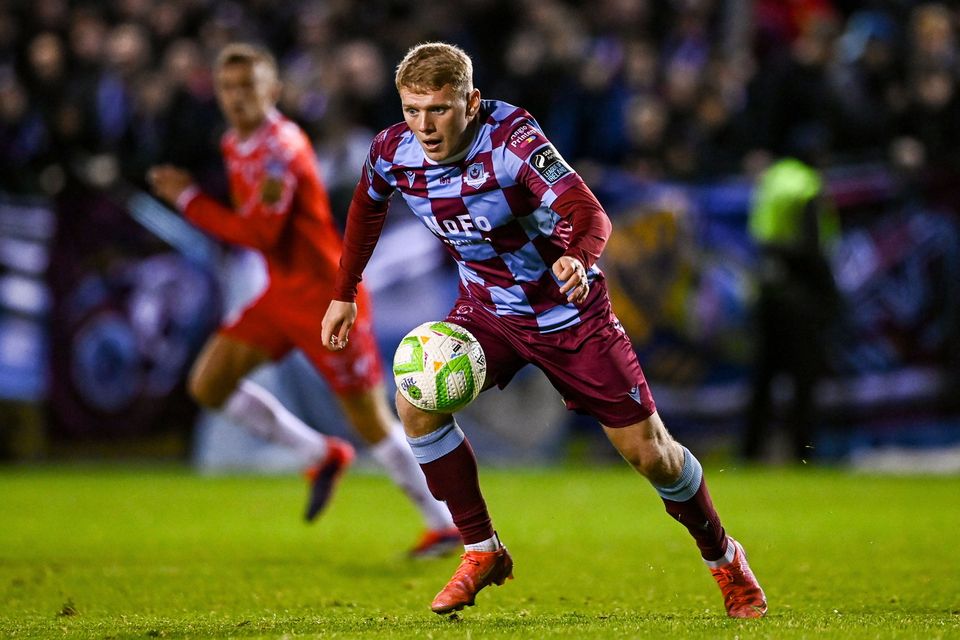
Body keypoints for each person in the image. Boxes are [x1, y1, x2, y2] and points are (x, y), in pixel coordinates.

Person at [321, 42, 767, 617]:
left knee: (651, 454)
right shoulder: (392, 151)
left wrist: (578, 257)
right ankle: (481, 549)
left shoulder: (513, 141)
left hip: (569, 315)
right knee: (417, 402)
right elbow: (366, 206)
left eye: (439, 109)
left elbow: (590, 213)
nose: (424, 126)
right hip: (489, 313)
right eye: (412, 109)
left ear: (471, 102)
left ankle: (725, 558)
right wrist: (343, 292)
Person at [147, 42, 459, 558]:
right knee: (209, 384)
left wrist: (189, 201)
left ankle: (442, 522)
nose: (238, 97)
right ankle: (320, 454)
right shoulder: (234, 143)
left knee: (373, 421)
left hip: (328, 299)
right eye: (228, 88)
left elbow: (263, 234)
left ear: (273, 90)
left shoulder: (282, 148)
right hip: (280, 295)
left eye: (249, 86)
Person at [743, 155, 841, 462]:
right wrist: (831, 296)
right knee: (803, 380)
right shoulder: (807, 185)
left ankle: (751, 451)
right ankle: (802, 452)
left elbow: (761, 239)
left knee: (763, 378)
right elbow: (812, 248)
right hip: (802, 299)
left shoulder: (771, 182)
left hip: (770, 294)